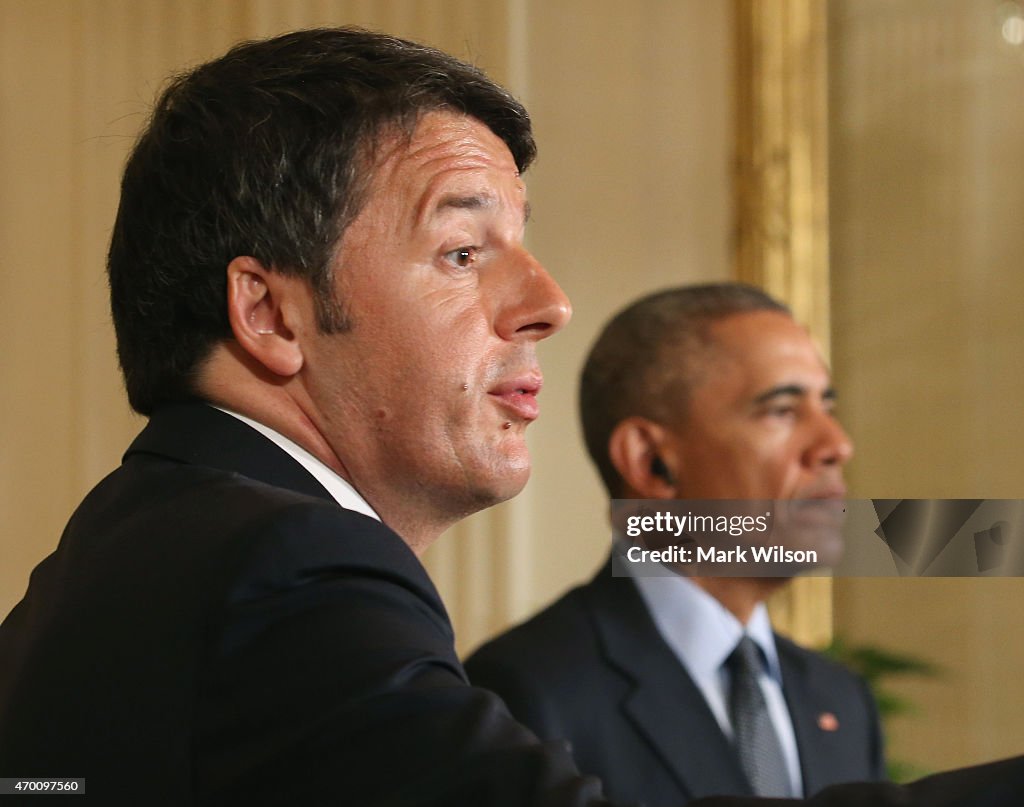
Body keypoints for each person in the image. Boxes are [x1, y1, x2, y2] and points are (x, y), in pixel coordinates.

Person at [0, 27, 1021, 807]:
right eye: (461, 250)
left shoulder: (127, 549)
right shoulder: (283, 569)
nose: (549, 302)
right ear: (270, 313)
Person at [463, 285, 878, 801]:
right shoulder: (521, 694)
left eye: (827, 405)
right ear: (650, 462)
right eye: (782, 410)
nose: (836, 444)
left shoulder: (841, 697)